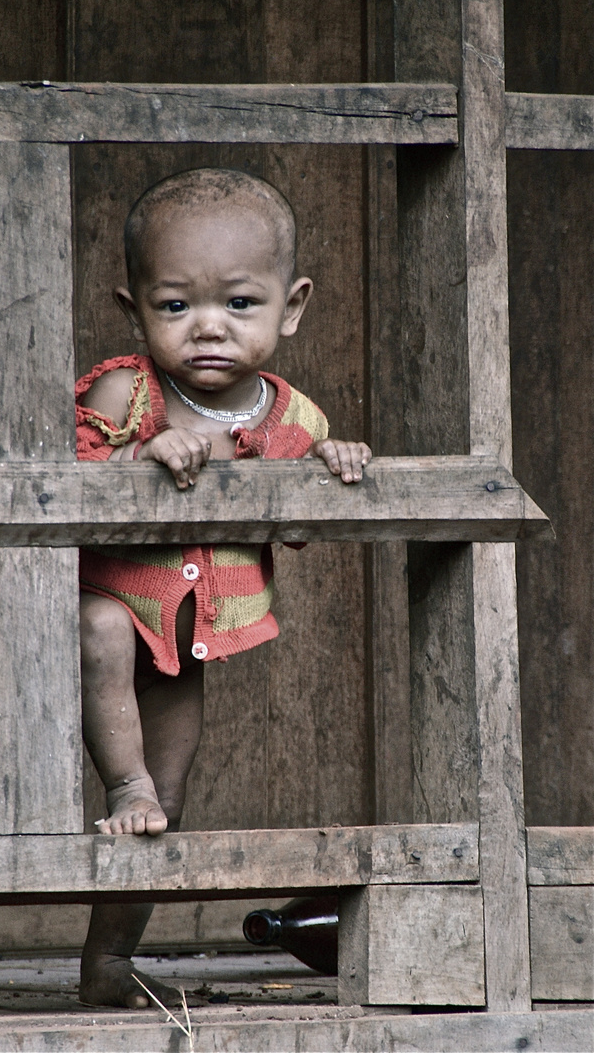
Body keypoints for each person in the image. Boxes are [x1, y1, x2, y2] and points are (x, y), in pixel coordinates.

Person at [74, 167, 372, 1009]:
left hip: (181, 648)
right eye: (175, 307)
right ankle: (121, 780)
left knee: (166, 807)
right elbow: (55, 480)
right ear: (135, 310)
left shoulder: (293, 422)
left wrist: (330, 470)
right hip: (101, 613)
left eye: (240, 304)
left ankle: (106, 965)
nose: (208, 327)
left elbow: (301, 527)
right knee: (100, 624)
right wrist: (138, 458)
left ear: (292, 305)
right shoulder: (124, 392)